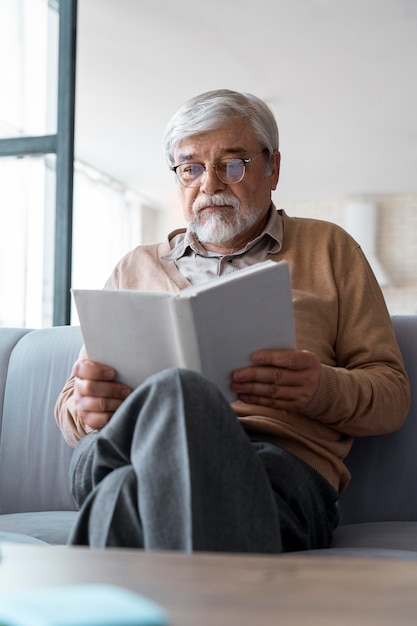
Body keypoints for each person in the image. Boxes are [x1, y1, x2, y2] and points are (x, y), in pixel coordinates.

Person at [55, 89, 410, 553]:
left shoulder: (331, 249)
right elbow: (69, 409)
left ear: (273, 168)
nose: (210, 185)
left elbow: (392, 396)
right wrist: (85, 407)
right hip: (125, 452)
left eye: (233, 164)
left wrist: (318, 388)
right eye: (191, 168)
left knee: (125, 488)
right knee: (148, 428)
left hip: (273, 470)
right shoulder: (133, 267)